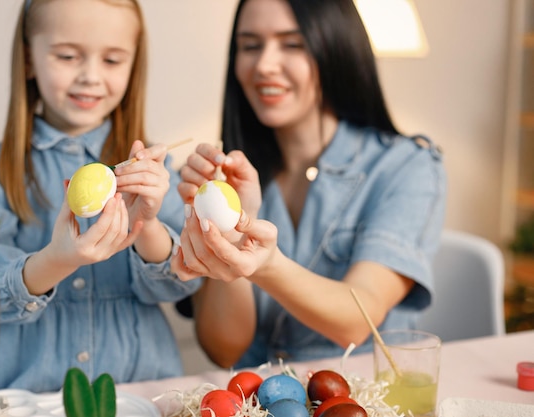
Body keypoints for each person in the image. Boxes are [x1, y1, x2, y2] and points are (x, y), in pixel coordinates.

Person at [171, 0, 446, 370]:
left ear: (335, 49)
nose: (265, 65)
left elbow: (356, 321)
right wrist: (226, 235)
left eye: (293, 44)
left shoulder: (406, 166)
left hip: (357, 397)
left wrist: (264, 265)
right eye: (250, 46)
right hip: (258, 399)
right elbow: (225, 350)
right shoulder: (230, 176)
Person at [0, 0, 200, 392]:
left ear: (134, 66)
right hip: (27, 396)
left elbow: (182, 283)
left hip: (141, 392)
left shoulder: (150, 170)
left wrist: (146, 225)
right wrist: (55, 261)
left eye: (113, 60)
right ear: (29, 59)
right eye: (68, 56)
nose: (90, 76)